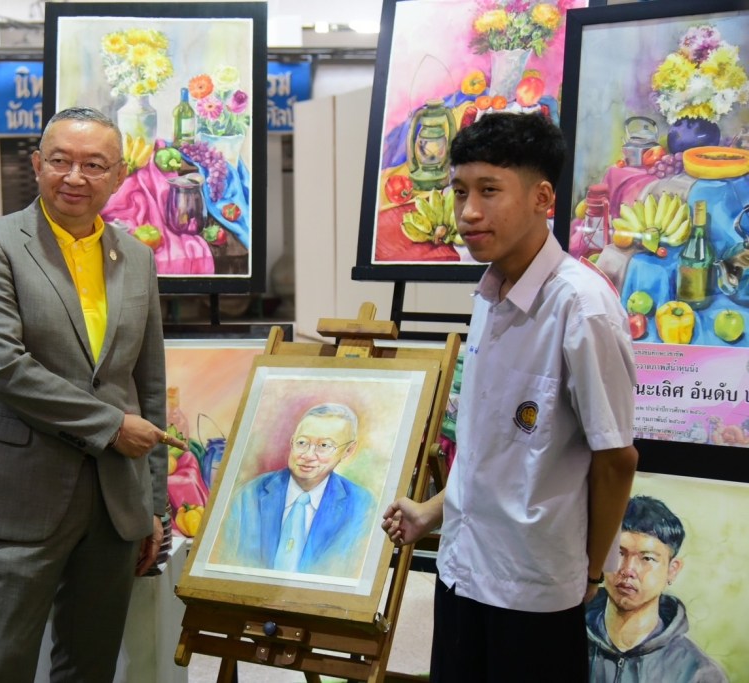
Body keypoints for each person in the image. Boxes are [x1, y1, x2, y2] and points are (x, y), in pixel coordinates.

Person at [381, 112, 639, 682]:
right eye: (460, 192)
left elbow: (616, 459)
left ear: (542, 197)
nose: (468, 212)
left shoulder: (582, 308)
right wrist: (433, 510)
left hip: (533, 592)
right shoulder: (490, 296)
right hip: (462, 571)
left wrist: (589, 574)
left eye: (489, 191)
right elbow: (494, 450)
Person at [0, 106, 185, 683]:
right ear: (37, 164)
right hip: (23, 489)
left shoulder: (137, 257)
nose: (75, 177)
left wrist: (154, 506)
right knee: (1, 662)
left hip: (114, 501)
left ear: (119, 174)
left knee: (90, 664)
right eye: (60, 160)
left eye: (94, 164)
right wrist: (110, 426)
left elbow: (148, 385)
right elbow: (4, 365)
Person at [219, 403, 375, 576]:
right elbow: (225, 561)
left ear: (348, 451)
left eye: (324, 446)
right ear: (292, 442)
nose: (308, 455)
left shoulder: (362, 506)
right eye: (302, 443)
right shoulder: (250, 494)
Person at [587, 495, 728, 682]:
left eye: (647, 558)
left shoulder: (698, 673)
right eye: (618, 553)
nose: (628, 570)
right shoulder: (561, 641)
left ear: (672, 570)